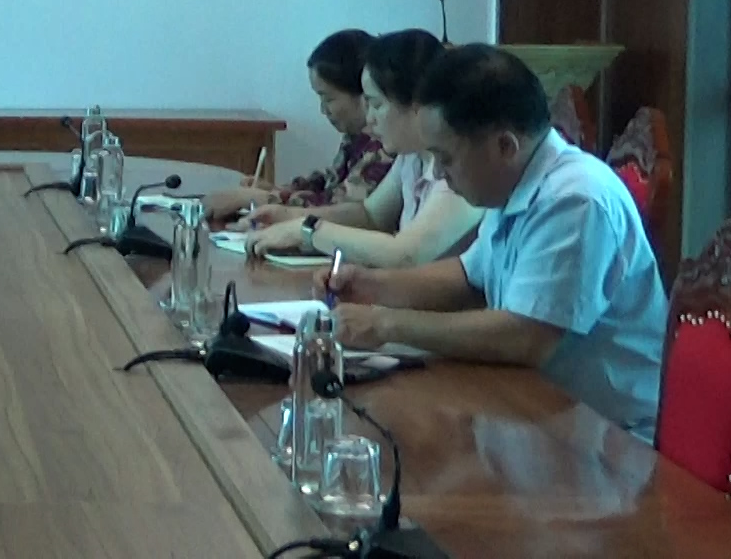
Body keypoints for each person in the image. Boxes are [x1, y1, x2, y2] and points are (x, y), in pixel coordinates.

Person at [319, 44, 669, 440]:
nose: (439, 174)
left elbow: (525, 337)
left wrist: (387, 323)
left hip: (607, 440)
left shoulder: (576, 199)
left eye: (446, 158)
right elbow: (469, 278)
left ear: (505, 146)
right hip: (536, 411)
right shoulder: (516, 181)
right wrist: (372, 285)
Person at [245, 29, 484, 267]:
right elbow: (370, 215)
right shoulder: (412, 157)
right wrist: (289, 216)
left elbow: (406, 254)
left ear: (415, 103)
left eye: (376, 105)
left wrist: (306, 231)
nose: (369, 119)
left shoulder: (458, 169)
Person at [204, 30, 393, 223]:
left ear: (363, 94)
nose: (323, 110)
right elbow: (329, 186)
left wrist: (257, 199)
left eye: (328, 99)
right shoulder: (355, 138)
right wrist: (276, 191)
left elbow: (337, 209)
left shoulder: (384, 146)